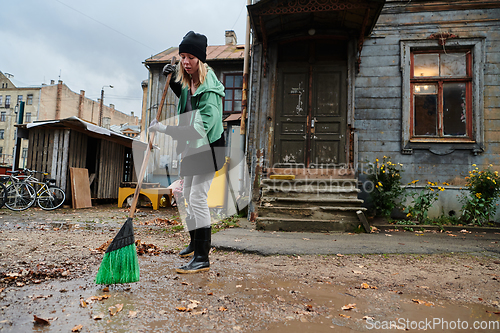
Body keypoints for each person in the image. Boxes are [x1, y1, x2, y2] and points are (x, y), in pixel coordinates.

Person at [149, 31, 225, 274]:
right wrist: (172, 80)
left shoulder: (209, 89)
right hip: (193, 150)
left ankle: (202, 257)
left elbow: (198, 129)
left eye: (191, 57)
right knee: (188, 196)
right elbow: (185, 98)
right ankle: (195, 243)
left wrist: (163, 129)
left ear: (201, 59)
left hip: (208, 148)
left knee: (197, 198)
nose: (185, 62)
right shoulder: (190, 82)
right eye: (182, 56)